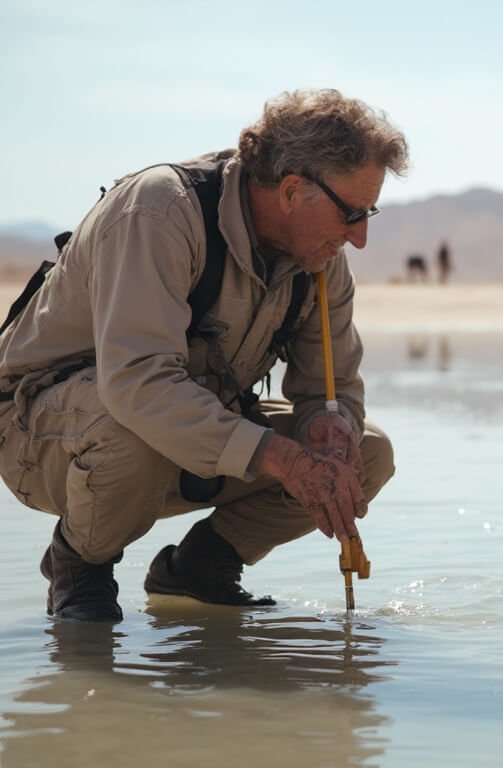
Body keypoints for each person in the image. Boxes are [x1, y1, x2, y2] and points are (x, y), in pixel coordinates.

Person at [0, 89, 409, 622]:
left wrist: (329, 427)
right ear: (291, 191)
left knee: (367, 452)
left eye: (369, 212)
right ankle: (81, 564)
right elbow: (137, 385)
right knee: (130, 426)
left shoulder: (320, 260)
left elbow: (331, 389)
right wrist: (282, 458)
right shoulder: (159, 211)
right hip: (45, 435)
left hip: (183, 435)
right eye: (353, 214)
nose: (360, 238)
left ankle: (199, 569)